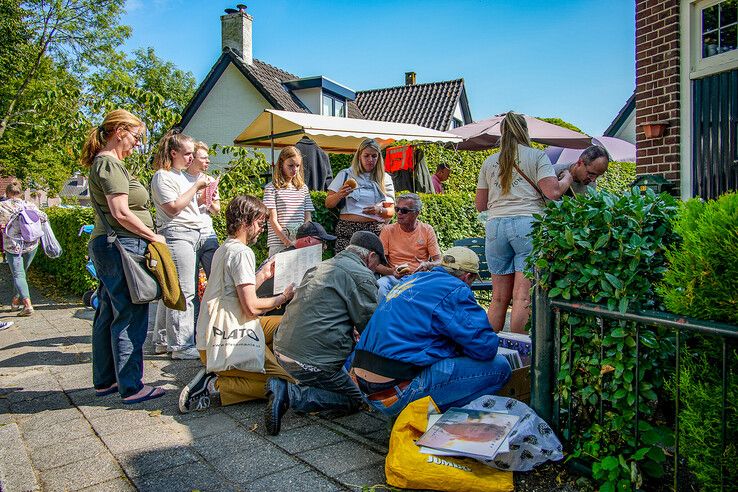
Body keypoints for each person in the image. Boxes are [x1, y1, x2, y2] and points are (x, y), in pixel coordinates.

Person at [352, 246, 512, 417]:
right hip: (395, 392)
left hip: (363, 385)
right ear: (468, 276)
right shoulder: (456, 289)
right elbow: (485, 347)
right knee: (501, 367)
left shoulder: (412, 280)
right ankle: (447, 425)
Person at [178, 195, 295, 413]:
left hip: (211, 335)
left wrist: (263, 275)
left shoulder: (226, 248)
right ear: (245, 222)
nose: (261, 229)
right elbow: (250, 307)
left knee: (285, 323)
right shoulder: (242, 252)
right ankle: (216, 383)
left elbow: (233, 291)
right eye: (260, 224)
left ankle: (226, 374)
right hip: (226, 339)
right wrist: (283, 298)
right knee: (289, 385)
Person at [264, 231, 387, 435]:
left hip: (282, 349)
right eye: (377, 264)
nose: (377, 269)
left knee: (332, 379)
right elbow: (372, 327)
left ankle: (295, 386)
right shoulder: (361, 275)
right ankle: (290, 394)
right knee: (355, 399)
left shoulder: (320, 266)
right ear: (371, 256)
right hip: (311, 361)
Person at [82, 109, 166, 404]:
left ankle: (106, 381)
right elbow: (120, 212)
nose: (137, 144)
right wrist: (152, 236)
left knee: (107, 311)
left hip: (110, 244)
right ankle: (132, 386)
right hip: (122, 245)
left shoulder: (104, 164)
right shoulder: (109, 165)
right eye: (136, 136)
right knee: (130, 312)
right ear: (119, 131)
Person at [475, 111, 573, 334]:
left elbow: (480, 205)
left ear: (502, 133)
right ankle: (519, 355)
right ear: (525, 131)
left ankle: (488, 350)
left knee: (498, 298)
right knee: (522, 297)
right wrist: (567, 178)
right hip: (527, 225)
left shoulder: (489, 162)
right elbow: (553, 192)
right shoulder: (537, 157)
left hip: (495, 227)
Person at [150, 129, 209, 359]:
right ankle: (182, 345)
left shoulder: (182, 175)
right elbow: (172, 208)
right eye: (187, 154)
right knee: (185, 291)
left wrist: (203, 194)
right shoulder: (163, 176)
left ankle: (163, 339)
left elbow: (190, 205)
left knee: (173, 289)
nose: (191, 158)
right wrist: (195, 188)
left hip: (190, 233)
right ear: (173, 153)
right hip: (177, 234)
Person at [325, 138, 395, 253]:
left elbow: (391, 211)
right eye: (366, 156)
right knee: (345, 268)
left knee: (370, 270)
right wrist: (340, 194)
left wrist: (378, 210)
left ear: (379, 158)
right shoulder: (345, 174)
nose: (370, 160)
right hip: (347, 231)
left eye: (374, 156)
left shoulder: (384, 178)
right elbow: (328, 203)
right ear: (359, 156)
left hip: (374, 232)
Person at [255, 220, 336, 309]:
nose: (325, 247)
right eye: (323, 242)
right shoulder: (294, 258)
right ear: (308, 240)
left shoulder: (287, 254)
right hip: (270, 311)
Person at [374, 193, 441, 299]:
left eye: (404, 210)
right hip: (393, 277)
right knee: (380, 286)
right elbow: (376, 264)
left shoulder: (427, 230)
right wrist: (392, 271)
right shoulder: (388, 230)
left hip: (419, 278)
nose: (399, 213)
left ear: (416, 213)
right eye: (397, 209)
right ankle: (384, 315)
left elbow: (439, 261)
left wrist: (428, 264)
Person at [0, 179, 48, 317]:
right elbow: (44, 217)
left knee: (18, 274)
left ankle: (27, 305)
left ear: (7, 192)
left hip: (12, 245)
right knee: (21, 273)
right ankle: (15, 301)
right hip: (31, 244)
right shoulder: (29, 205)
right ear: (20, 193)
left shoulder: (2, 206)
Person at [263, 146, 315, 257]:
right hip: (278, 244)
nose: (295, 169)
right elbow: (272, 220)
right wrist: (287, 242)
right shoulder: (272, 188)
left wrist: (302, 240)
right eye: (290, 165)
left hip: (299, 243)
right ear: (281, 164)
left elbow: (308, 218)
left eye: (297, 166)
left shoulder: (303, 188)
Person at [185, 141, 220, 278]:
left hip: (208, 233)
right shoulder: (181, 179)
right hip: (188, 234)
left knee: (216, 278)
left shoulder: (209, 179)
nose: (208, 161)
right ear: (192, 158)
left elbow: (217, 210)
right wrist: (200, 198)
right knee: (189, 280)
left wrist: (208, 198)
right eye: (204, 158)